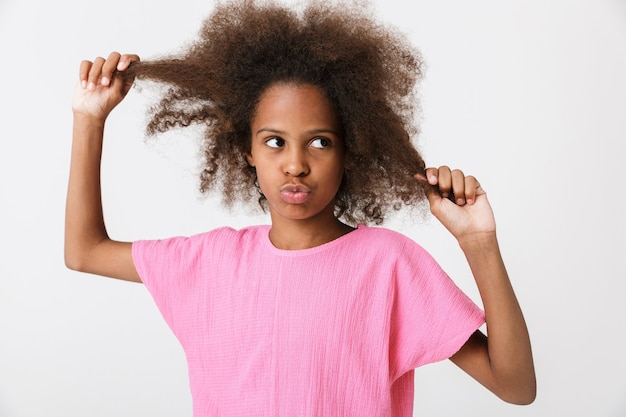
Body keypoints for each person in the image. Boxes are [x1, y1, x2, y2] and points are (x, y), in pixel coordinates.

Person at [65, 0, 536, 415]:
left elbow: (515, 387)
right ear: (246, 148)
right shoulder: (209, 263)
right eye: (274, 141)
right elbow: (84, 252)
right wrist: (89, 119)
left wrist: (479, 244)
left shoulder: (388, 264)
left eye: (319, 142)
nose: (295, 164)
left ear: (350, 149)